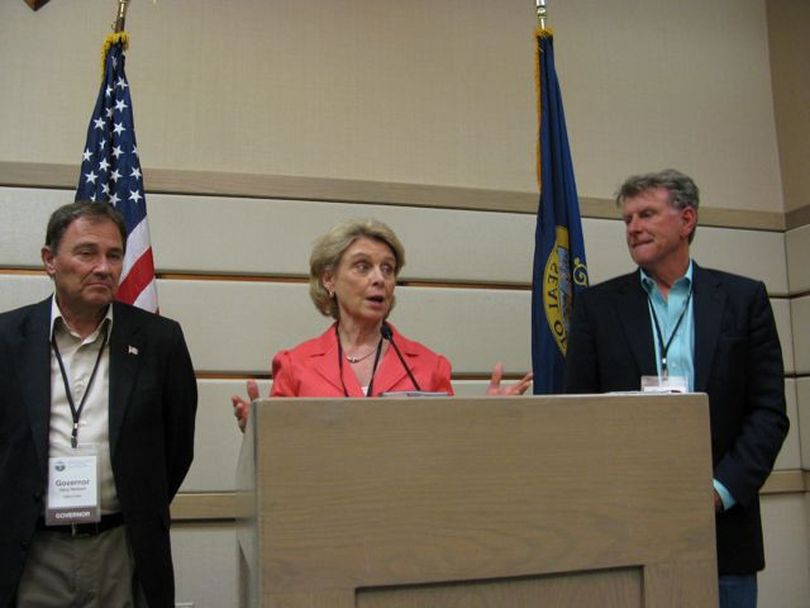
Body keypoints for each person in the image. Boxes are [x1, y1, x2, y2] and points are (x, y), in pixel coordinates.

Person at [564, 169, 789, 608]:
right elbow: (580, 416)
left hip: (724, 535)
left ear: (687, 220)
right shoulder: (596, 308)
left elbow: (768, 413)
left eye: (646, 214)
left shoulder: (744, 300)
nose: (633, 228)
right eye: (626, 219)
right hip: (626, 530)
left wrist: (716, 493)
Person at [0, 201, 198, 607]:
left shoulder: (160, 341)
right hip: (31, 550)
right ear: (49, 260)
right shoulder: (6, 338)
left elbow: (177, 449)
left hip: (122, 547)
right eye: (86, 253)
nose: (104, 268)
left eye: (114, 255)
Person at [232, 218, 532, 430]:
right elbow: (279, 452)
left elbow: (448, 449)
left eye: (387, 269)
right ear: (329, 280)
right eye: (363, 266)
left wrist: (490, 420)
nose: (379, 278)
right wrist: (257, 431)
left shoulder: (429, 367)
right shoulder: (295, 365)